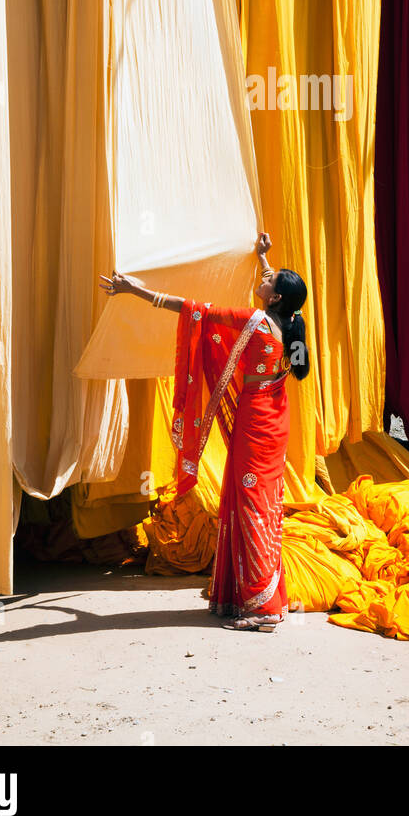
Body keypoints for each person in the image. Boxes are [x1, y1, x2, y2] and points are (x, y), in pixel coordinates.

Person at [99, 234, 308, 631]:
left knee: (250, 505)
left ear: (275, 297)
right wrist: (265, 258)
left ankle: (262, 609)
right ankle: (262, 596)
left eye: (268, 281)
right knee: (261, 501)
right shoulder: (291, 323)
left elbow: (193, 310)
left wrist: (134, 290)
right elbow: (273, 288)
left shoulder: (256, 320)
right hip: (275, 420)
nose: (262, 281)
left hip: (254, 424)